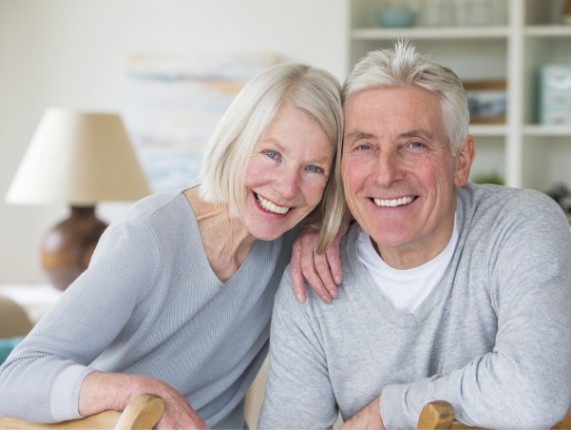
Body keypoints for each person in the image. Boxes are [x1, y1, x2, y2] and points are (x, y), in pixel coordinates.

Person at [0, 62, 345, 429]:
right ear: (234, 142)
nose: (287, 187)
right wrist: (138, 391)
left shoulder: (291, 239)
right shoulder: (148, 238)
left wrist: (328, 227)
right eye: (272, 154)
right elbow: (15, 377)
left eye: (313, 169)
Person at [259, 41, 571, 430]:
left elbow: (533, 394)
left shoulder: (519, 227)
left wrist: (389, 410)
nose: (386, 173)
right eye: (364, 146)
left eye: (414, 145)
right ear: (341, 166)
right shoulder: (312, 280)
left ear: (462, 161)